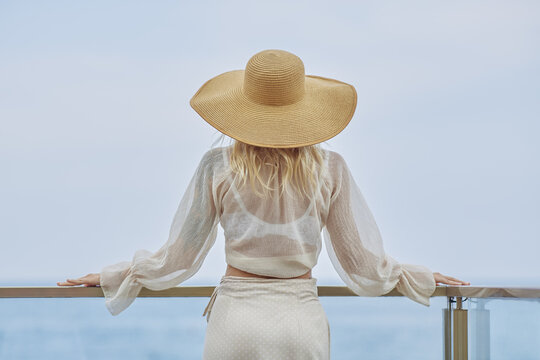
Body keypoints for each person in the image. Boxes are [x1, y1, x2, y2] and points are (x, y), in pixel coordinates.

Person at [57, 49, 470, 359]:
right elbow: (364, 265)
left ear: (243, 108)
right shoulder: (329, 169)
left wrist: (115, 275)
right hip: (299, 323)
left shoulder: (217, 167)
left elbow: (177, 258)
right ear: (304, 109)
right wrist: (418, 277)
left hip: (235, 323)